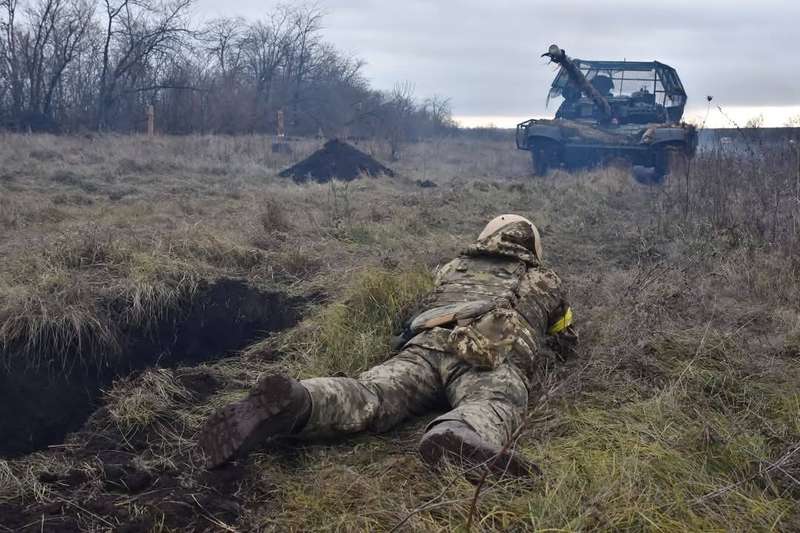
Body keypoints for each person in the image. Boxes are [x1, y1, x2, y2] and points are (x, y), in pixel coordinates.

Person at [198, 215, 577, 477]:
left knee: (372, 393)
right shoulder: (545, 279)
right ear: (533, 248)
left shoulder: (452, 267)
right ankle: (458, 433)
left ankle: (302, 401)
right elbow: (564, 341)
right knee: (496, 402)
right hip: (489, 357)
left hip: (427, 342)